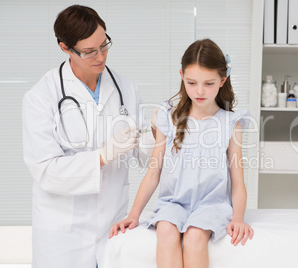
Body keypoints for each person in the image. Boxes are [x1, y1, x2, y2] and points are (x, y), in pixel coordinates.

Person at [22, 5, 154, 268]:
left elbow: (145, 155)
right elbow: (46, 170)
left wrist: (157, 135)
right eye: (89, 51)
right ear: (64, 48)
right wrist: (102, 157)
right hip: (63, 238)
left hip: (113, 227)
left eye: (104, 45)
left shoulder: (126, 87)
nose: (100, 57)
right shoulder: (41, 97)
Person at [109, 39, 254, 268]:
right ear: (181, 76)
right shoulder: (169, 116)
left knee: (195, 236)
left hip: (211, 205)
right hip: (173, 202)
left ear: (222, 81)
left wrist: (238, 218)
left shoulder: (231, 123)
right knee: (166, 230)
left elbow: (237, 181)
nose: (199, 91)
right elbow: (153, 172)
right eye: (191, 82)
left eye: (209, 83)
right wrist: (134, 214)